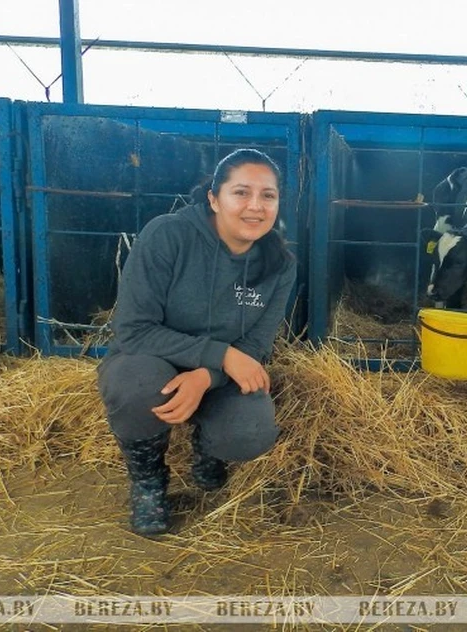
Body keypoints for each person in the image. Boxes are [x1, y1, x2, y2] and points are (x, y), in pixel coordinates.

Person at [97, 148, 296, 536]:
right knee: (137, 385)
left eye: (268, 195)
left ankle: (208, 445)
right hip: (149, 359)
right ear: (213, 198)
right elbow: (134, 329)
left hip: (218, 374)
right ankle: (149, 480)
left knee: (251, 433)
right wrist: (219, 354)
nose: (255, 206)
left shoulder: (280, 265)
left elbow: (256, 346)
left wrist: (208, 374)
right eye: (241, 192)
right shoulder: (168, 235)